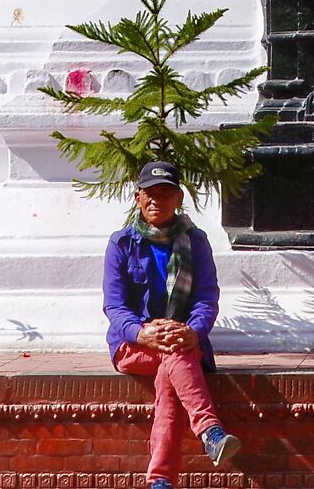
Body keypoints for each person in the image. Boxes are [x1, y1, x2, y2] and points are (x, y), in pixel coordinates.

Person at [102, 161, 237, 489]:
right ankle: (210, 431)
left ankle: (161, 483)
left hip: (182, 341)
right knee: (174, 355)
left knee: (170, 372)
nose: (156, 200)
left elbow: (206, 298)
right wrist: (143, 333)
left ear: (178, 199)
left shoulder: (196, 242)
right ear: (138, 198)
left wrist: (193, 331)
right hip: (133, 345)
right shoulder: (122, 243)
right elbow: (115, 306)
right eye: (149, 193)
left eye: (165, 193)